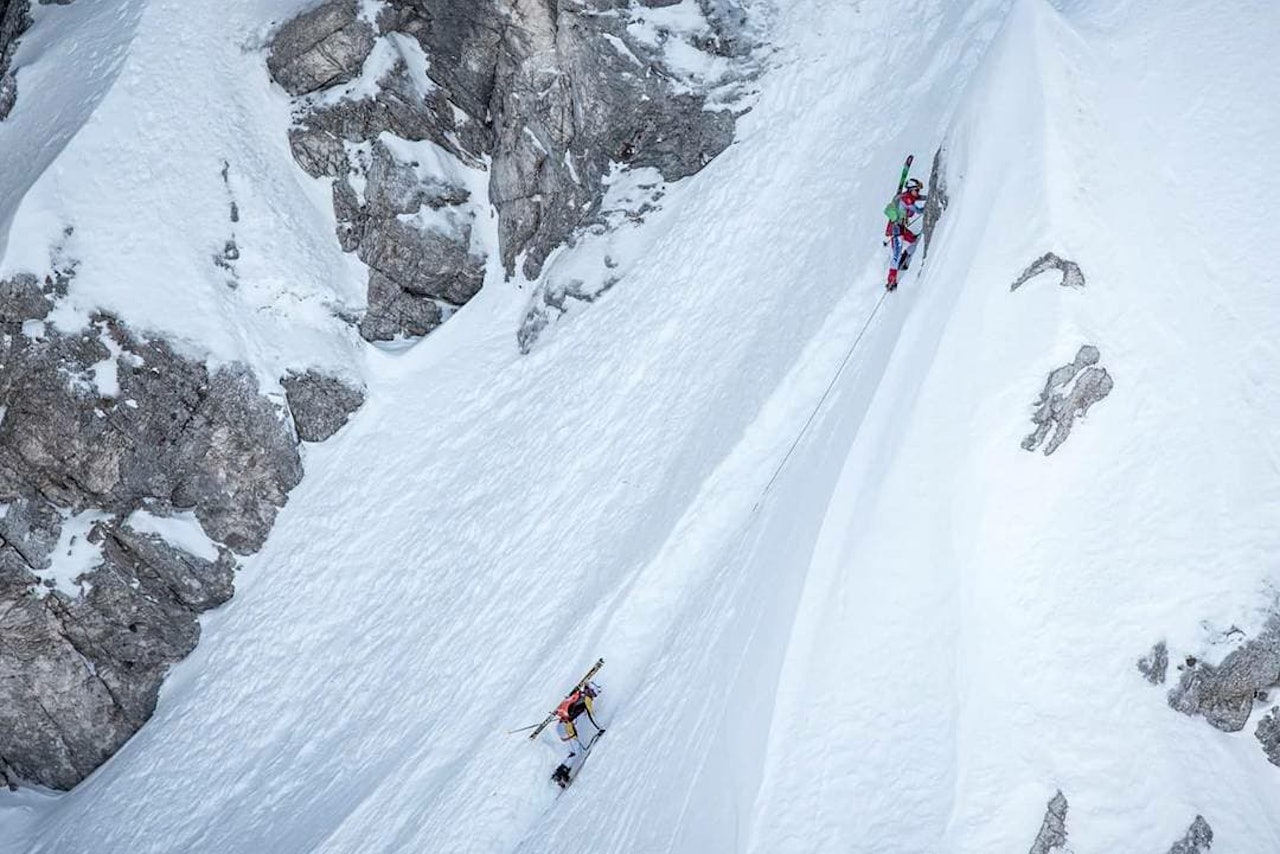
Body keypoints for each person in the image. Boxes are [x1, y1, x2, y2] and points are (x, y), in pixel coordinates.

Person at [551, 682, 605, 788]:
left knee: (575, 751)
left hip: (563, 726)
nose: (594, 697)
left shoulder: (579, 696)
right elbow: (591, 715)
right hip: (566, 727)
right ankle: (559, 774)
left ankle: (564, 773)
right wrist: (600, 728)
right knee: (577, 752)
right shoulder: (586, 699)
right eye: (594, 694)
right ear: (590, 691)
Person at [884, 177, 927, 290]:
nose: (918, 192)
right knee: (896, 255)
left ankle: (904, 259)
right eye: (916, 190)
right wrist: (928, 205)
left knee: (913, 241)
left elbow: (917, 197)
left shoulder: (907, 196)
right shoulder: (907, 200)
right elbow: (917, 210)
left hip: (901, 227)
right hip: (897, 230)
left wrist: (927, 197)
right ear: (911, 189)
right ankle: (891, 280)